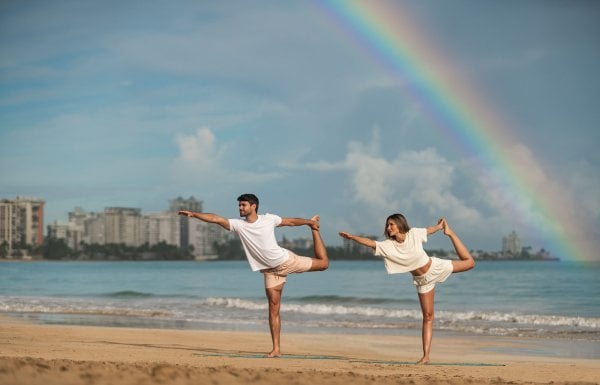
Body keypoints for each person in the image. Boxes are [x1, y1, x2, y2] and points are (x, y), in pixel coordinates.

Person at [178, 193, 329, 357]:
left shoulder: (268, 219)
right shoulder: (238, 225)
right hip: (270, 272)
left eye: (243, 205)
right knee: (273, 309)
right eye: (239, 205)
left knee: (324, 264)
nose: (240, 208)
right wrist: (194, 215)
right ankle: (276, 349)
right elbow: (216, 218)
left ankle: (315, 231)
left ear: (253, 206)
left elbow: (290, 222)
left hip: (286, 260)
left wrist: (310, 222)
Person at [339, 215, 475, 365]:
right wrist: (352, 237)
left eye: (391, 224)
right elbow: (371, 243)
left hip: (435, 267)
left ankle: (451, 234)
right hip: (423, 281)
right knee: (428, 317)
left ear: (399, 224)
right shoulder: (388, 246)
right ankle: (426, 357)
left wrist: (440, 227)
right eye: (387, 225)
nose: (388, 228)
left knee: (470, 263)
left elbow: (428, 230)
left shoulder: (413, 234)